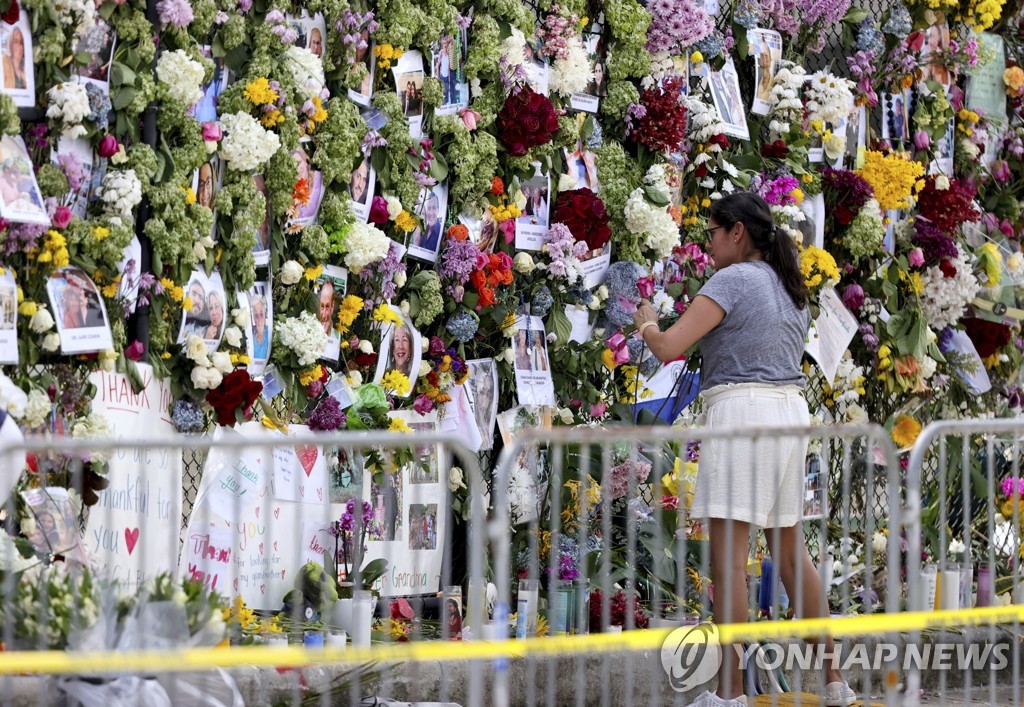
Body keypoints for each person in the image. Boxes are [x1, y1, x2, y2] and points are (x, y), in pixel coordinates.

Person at [632, 192, 856, 707]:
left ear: (737, 232)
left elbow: (668, 347)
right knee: (791, 554)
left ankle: (728, 694)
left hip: (743, 415)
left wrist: (646, 322)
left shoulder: (734, 279)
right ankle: (834, 681)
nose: (707, 244)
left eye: (711, 233)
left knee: (729, 562)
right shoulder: (787, 284)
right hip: (790, 414)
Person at [293, 149, 323, 221]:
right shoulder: (290, 187)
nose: (297, 170)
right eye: (292, 167)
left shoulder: (319, 178)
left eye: (298, 163)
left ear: (306, 161)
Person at [251, 294, 270, 360]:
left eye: (261, 313)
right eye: (256, 314)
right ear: (253, 317)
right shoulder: (249, 335)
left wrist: (261, 333)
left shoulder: (270, 332)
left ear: (265, 315)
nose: (259, 318)